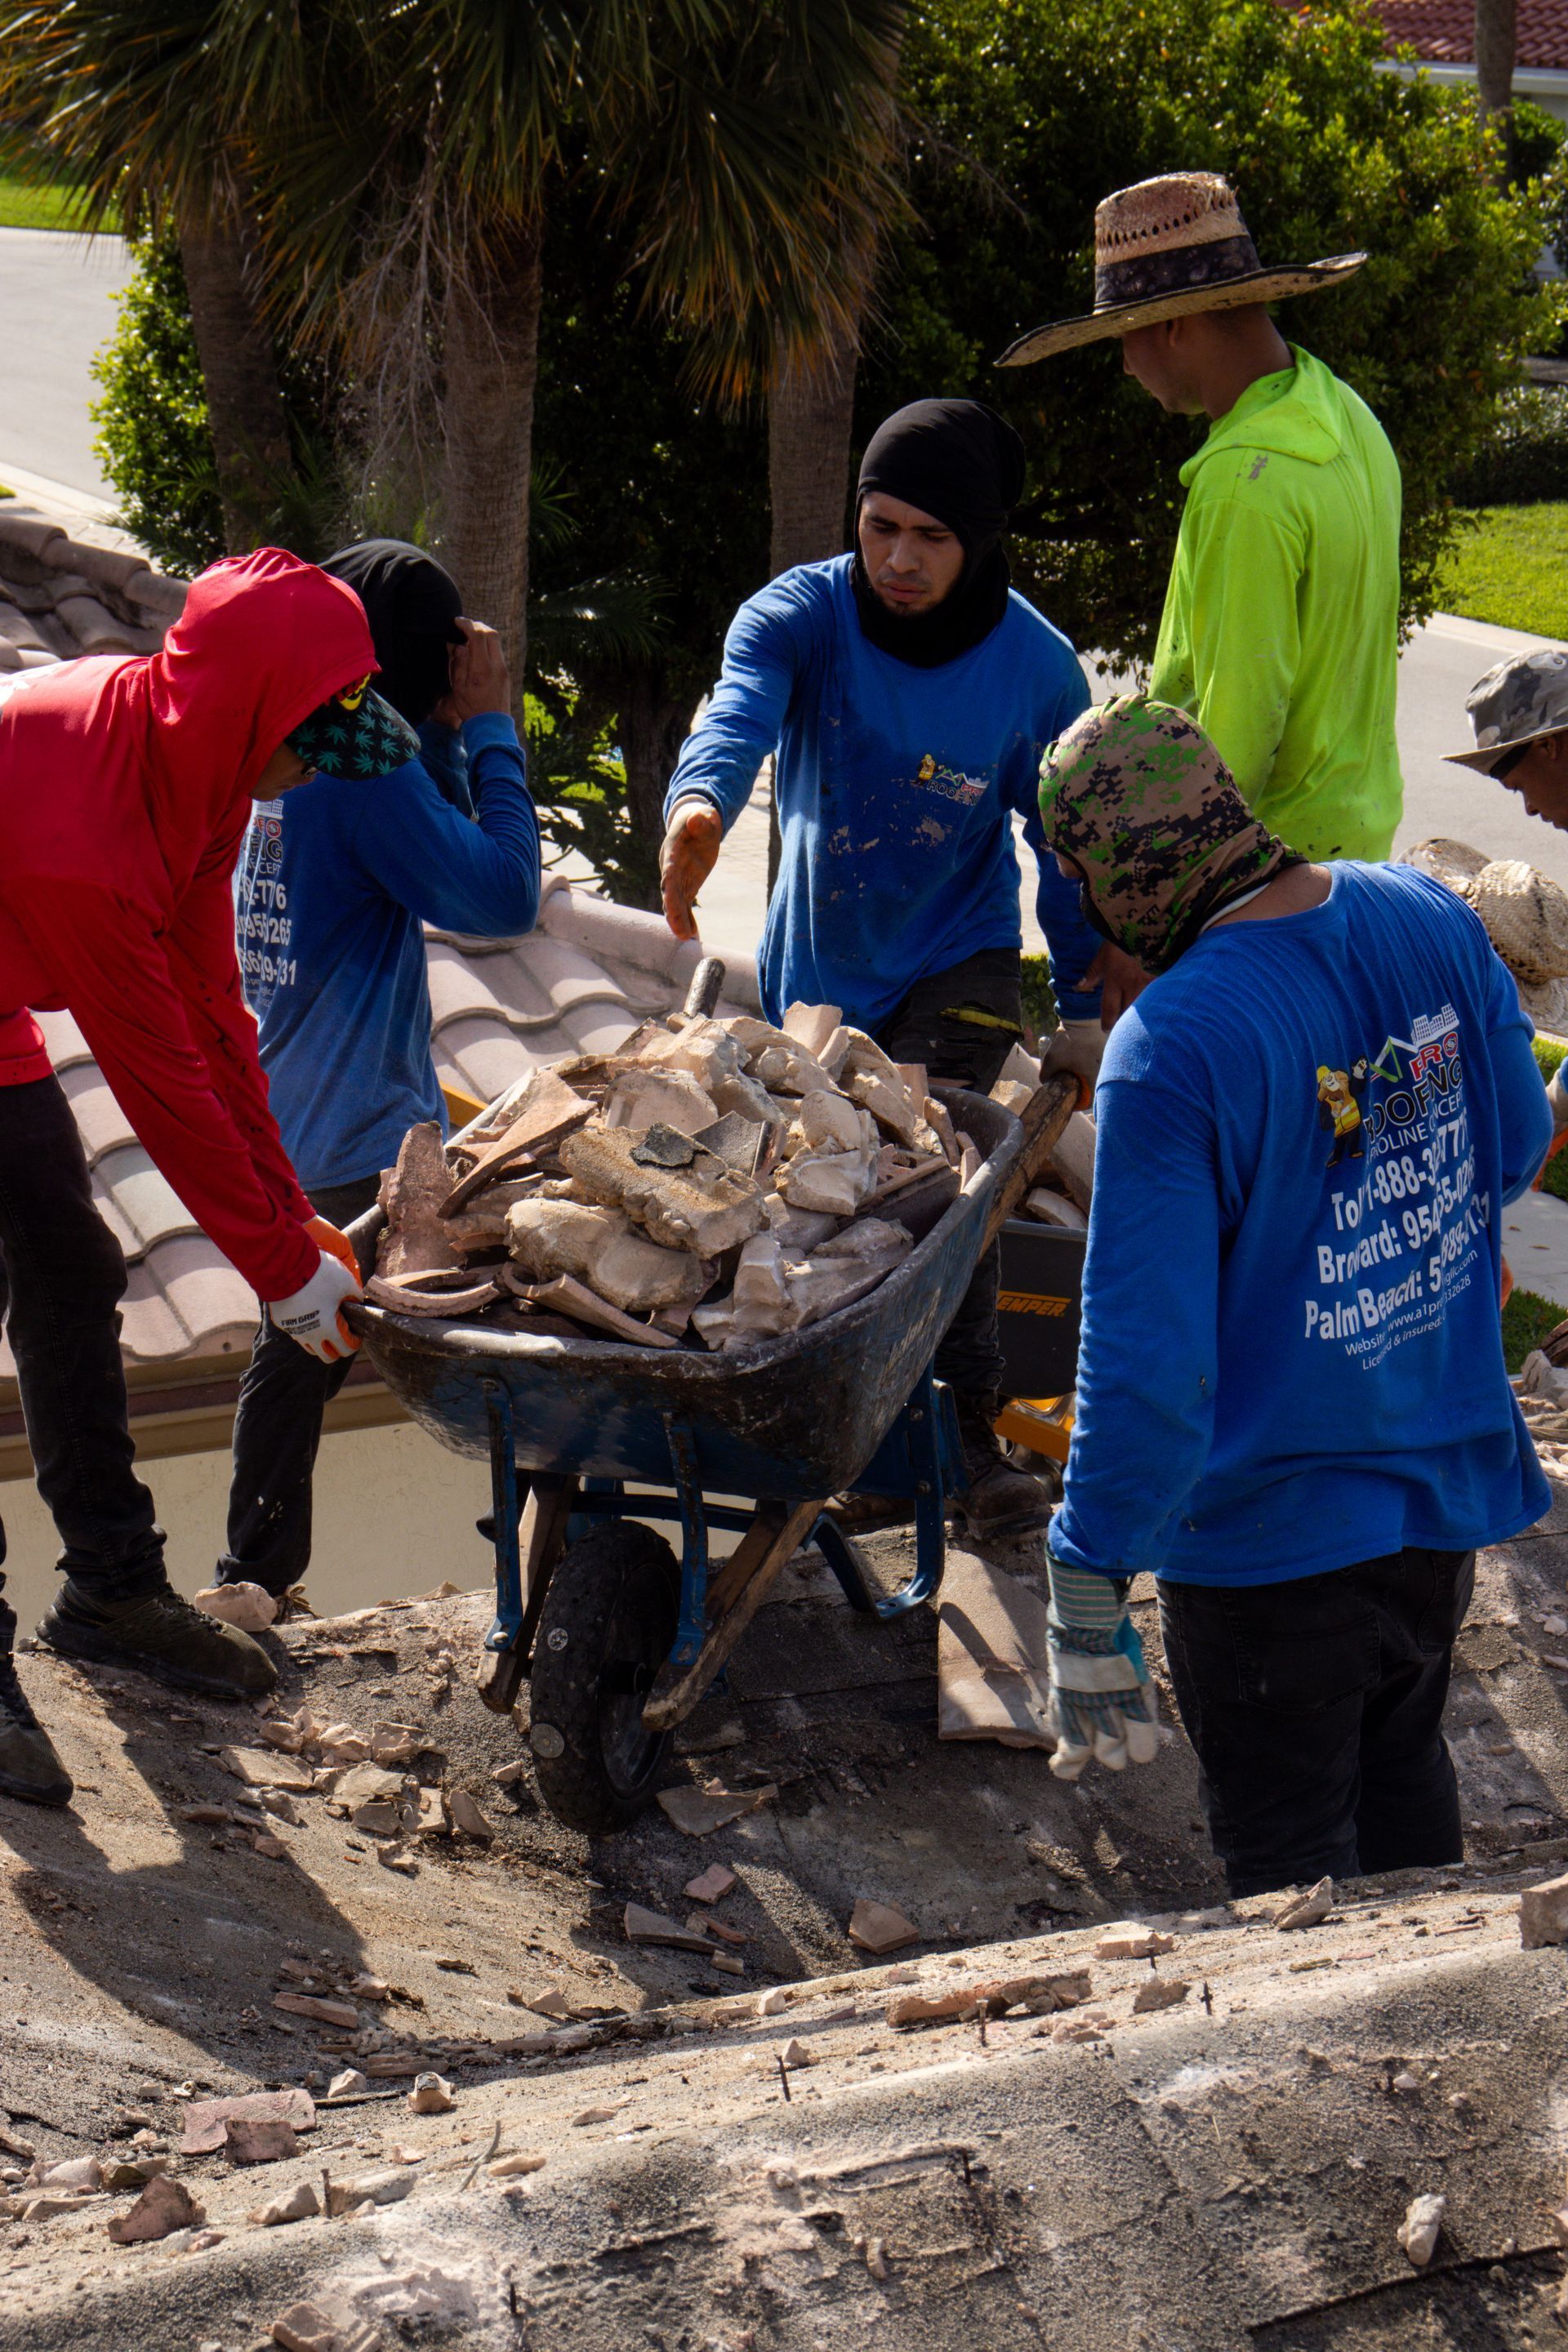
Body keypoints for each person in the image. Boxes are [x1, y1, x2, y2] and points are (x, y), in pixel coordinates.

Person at [1035, 694, 1549, 1896]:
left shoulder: (1170, 1046)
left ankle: (1353, 2086)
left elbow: (1149, 1365)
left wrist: (1090, 1561)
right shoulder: (1422, 914)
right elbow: (1514, 1143)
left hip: (1268, 1555)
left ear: (1109, 866)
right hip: (1432, 1513)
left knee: (1293, 1890)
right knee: (1409, 1816)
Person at [658, 398, 1141, 1543]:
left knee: (942, 1170)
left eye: (930, 536)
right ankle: (865, 1448)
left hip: (957, 953)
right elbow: (738, 715)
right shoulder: (802, 615)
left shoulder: (1036, 671)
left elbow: (1062, 851)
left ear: (980, 542)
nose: (899, 560)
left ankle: (973, 1441)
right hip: (820, 970)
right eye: (880, 528)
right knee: (838, 1188)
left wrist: (1080, 1008)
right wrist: (699, 804)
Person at [0, 547, 411, 1806]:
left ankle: (113, 1591)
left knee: (68, 1260)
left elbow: (215, 1018)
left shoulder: (202, 774)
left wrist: (297, 1224)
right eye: (304, 747)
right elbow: (156, 1080)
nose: (305, 773)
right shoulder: (91, 827)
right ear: (249, 718)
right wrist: (284, 1277)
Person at [219, 540, 540, 1606]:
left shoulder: (278, 739)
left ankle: (254, 1578)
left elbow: (423, 844)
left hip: (274, 1113)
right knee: (502, 1323)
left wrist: (442, 732)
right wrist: (490, 725)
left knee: (302, 1334)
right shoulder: (364, 767)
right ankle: (539, 1555)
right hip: (359, 1134)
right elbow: (496, 895)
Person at [998, 171, 1403, 890]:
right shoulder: (1347, 413)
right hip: (1356, 849)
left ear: (1174, 326)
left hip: (1259, 878)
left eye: (1125, 335)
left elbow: (1233, 739)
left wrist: (1148, 913)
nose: (1125, 363)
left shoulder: (1244, 481)